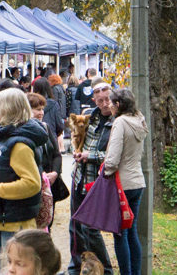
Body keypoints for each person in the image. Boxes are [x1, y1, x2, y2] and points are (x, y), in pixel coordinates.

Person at [0, 88, 48, 273]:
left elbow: (32, 184)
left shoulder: (19, 144)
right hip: (2, 219)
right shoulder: (7, 138)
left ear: (7, 110)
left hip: (15, 222)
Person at [67, 81, 114, 275]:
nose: (104, 104)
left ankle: (106, 269)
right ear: (94, 99)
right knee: (75, 226)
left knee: (91, 229)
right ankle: (76, 267)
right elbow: (75, 137)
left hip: (97, 181)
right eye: (100, 100)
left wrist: (90, 156)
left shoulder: (117, 121)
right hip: (79, 176)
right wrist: (77, 152)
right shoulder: (89, 117)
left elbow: (115, 156)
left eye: (107, 99)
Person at [103, 88, 147, 275]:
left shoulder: (120, 122)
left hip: (123, 185)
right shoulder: (139, 120)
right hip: (137, 182)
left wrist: (105, 172)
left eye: (111, 103)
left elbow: (112, 158)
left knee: (120, 234)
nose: (109, 107)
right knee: (132, 231)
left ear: (118, 105)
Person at [26, 92, 61, 228]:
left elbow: (57, 154)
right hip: (34, 184)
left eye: (42, 109)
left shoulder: (45, 127)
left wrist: (55, 173)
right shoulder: (24, 131)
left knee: (47, 223)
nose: (41, 113)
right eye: (37, 109)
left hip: (49, 185)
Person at [32, 78, 64, 152]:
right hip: (51, 139)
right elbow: (59, 125)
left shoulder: (31, 104)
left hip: (35, 138)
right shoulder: (54, 104)